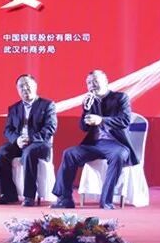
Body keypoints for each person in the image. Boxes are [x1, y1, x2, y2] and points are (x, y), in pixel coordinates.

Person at [52, 70, 139, 210]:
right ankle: (65, 199)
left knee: (118, 156)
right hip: (94, 144)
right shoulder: (90, 101)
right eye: (89, 83)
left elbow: (125, 120)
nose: (92, 85)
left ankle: (106, 201)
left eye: (95, 81)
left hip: (116, 144)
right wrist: (86, 110)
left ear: (106, 82)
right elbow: (84, 128)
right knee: (69, 153)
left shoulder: (120, 98)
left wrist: (101, 120)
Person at [0, 75, 57, 206]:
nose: (25, 88)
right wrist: (17, 140)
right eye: (21, 86)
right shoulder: (14, 108)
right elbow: (8, 130)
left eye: (27, 85)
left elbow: (50, 128)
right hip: (19, 142)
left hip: (39, 143)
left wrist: (31, 139)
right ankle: (9, 194)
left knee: (28, 153)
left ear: (35, 86)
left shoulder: (47, 105)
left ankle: (29, 196)